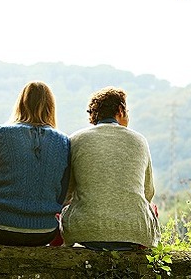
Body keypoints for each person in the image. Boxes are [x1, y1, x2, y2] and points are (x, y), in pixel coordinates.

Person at [60, 86, 160, 250]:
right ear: (120, 110)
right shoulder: (140, 141)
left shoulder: (75, 140)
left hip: (85, 231)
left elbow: (67, 193)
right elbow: (148, 193)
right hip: (135, 232)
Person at [0, 81, 70, 246]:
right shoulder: (63, 141)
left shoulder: (0, 133)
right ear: (51, 106)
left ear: (21, 103)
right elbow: (62, 191)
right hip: (45, 231)